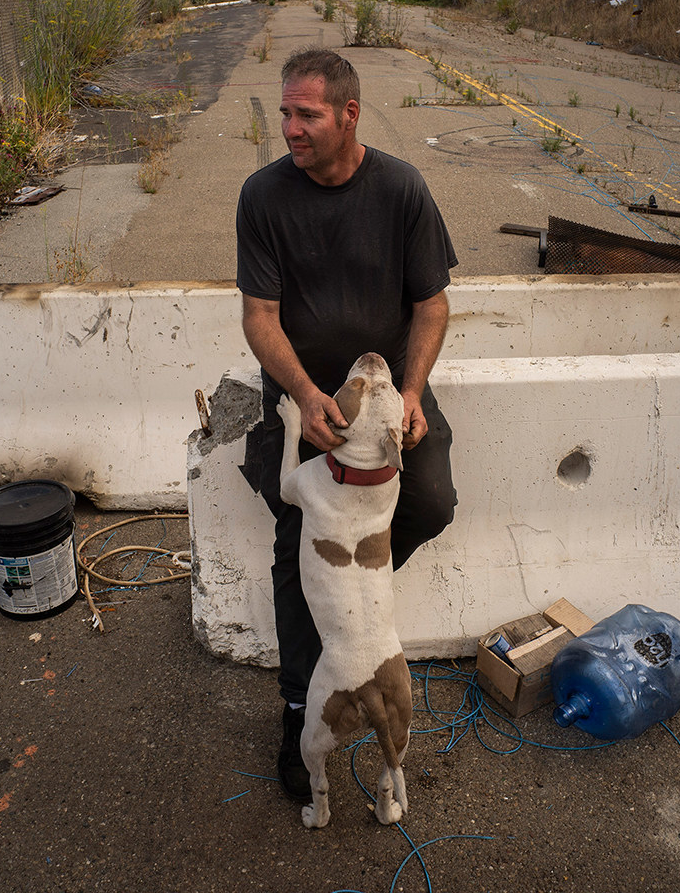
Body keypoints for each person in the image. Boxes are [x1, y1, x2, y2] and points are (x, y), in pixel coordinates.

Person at [235, 47, 458, 803]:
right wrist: (300, 393)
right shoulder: (262, 196)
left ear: (349, 115)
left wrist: (415, 394)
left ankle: (351, 628)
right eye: (286, 111)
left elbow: (432, 304)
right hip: (305, 402)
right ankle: (299, 705)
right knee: (296, 543)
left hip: (383, 398)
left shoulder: (401, 189)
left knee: (432, 503)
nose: (289, 128)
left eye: (306, 115)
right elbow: (259, 319)